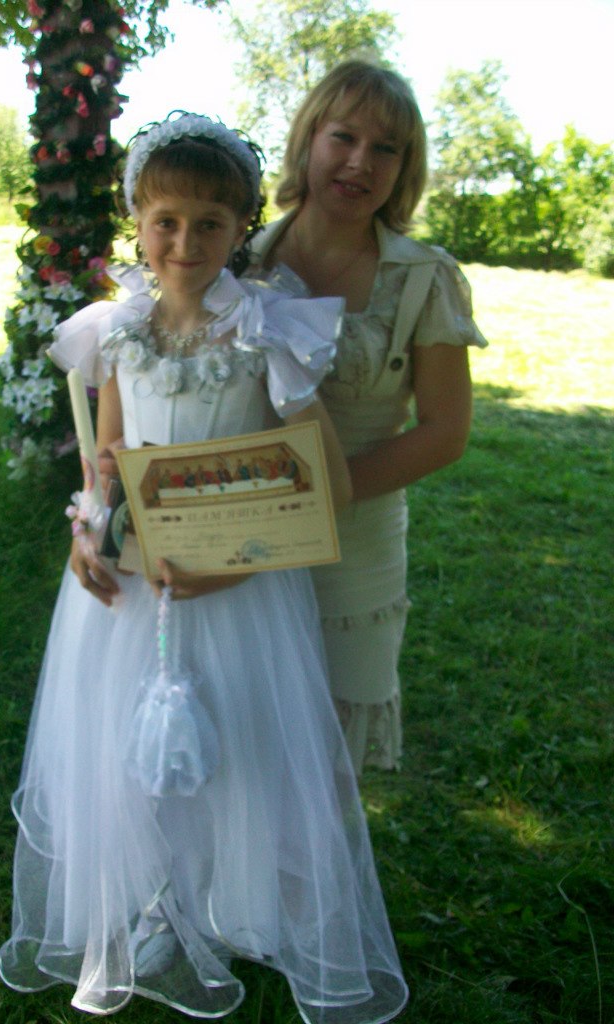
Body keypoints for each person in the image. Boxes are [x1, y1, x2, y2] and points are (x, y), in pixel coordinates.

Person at [0, 112, 408, 1024]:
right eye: (167, 221)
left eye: (210, 223)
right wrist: (86, 532)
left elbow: (323, 479)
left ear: (240, 227)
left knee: (237, 748)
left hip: (240, 589)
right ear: (138, 223)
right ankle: (150, 899)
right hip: (127, 589)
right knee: (125, 748)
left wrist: (237, 565)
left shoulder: (268, 331)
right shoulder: (118, 330)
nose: (185, 243)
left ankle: (229, 901)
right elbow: (108, 460)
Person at [245, 59, 488, 776]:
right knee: (238, 745)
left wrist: (324, 493)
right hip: (236, 537)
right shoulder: (235, 260)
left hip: (355, 555)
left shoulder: (424, 279)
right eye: (344, 137)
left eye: (386, 148)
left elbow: (445, 432)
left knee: (324, 767)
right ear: (308, 139)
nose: (361, 162)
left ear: (405, 169)